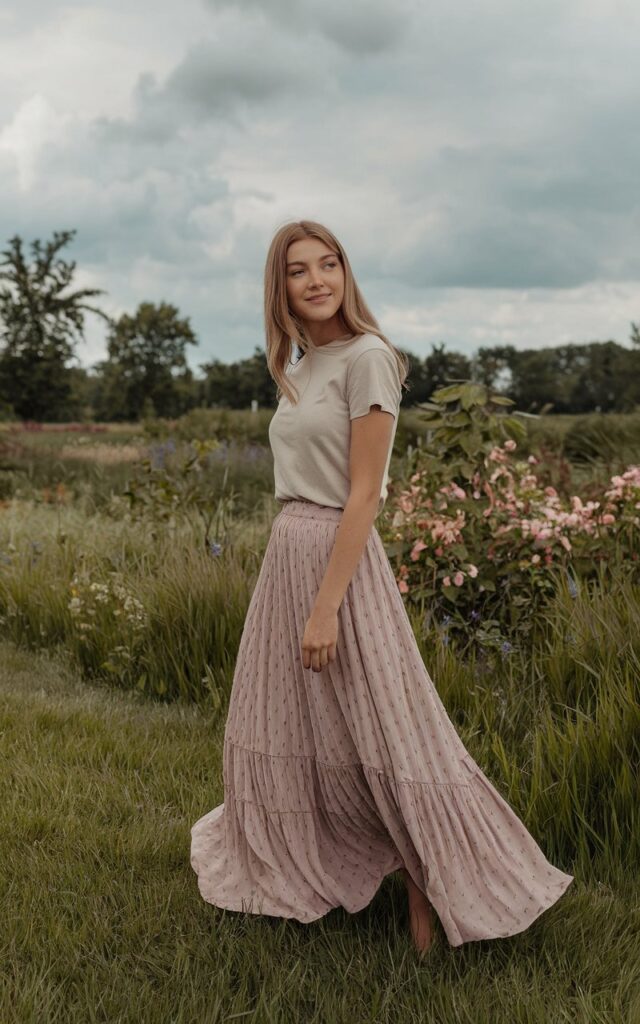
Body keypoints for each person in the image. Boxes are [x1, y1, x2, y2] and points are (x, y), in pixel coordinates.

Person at [190, 219, 574, 954]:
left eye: (328, 263)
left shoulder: (369, 358)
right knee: (290, 726)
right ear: (282, 290)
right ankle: (329, 865)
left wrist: (327, 606)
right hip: (289, 553)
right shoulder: (301, 365)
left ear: (345, 272)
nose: (317, 280)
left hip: (341, 559)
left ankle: (432, 889)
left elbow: (365, 494)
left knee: (388, 731)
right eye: (298, 270)